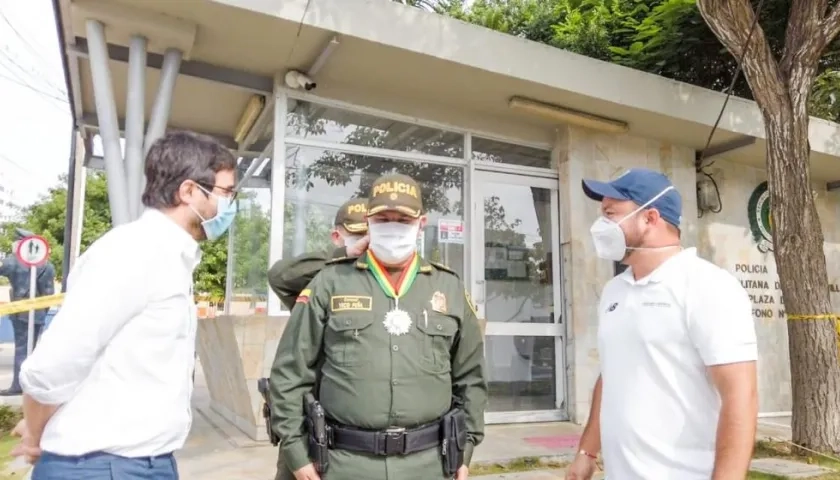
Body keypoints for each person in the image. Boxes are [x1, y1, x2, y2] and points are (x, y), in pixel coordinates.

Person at [11, 131, 238, 480]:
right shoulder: (134, 254)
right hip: (104, 467)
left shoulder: (169, 258)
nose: (230, 205)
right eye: (226, 193)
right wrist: (36, 436)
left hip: (137, 463)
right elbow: (51, 368)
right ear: (188, 191)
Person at [269, 173, 487, 480]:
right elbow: (290, 373)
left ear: (421, 223)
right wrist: (296, 453)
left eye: (404, 220)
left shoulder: (448, 287)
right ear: (368, 222)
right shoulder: (331, 281)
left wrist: (465, 449)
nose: (393, 227)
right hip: (343, 464)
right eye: (383, 219)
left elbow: (471, 378)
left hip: (429, 465)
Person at [565, 168, 758, 480]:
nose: (600, 225)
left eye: (610, 214)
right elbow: (612, 374)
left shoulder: (707, 286)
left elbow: (741, 396)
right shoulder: (615, 290)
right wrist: (587, 452)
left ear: (650, 218)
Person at [268, 197, 369, 310]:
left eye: (371, 235)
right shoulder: (321, 273)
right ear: (336, 237)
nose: (366, 241)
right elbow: (278, 276)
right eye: (358, 235)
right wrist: (344, 254)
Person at [0, 228, 56, 396]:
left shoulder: (12, 262)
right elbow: (49, 292)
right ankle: (32, 385)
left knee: (21, 349)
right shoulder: (48, 265)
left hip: (20, 310)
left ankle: (18, 385)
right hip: (39, 311)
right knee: (32, 349)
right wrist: (43, 311)